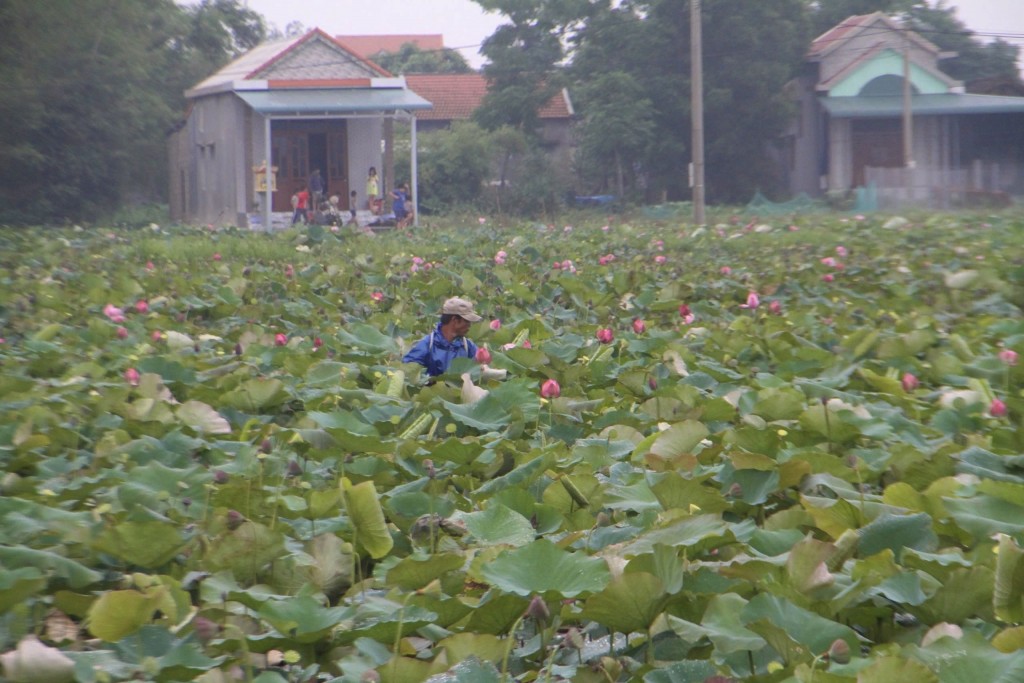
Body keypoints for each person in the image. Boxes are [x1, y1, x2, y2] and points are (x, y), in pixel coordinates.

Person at [403, 297, 481, 377]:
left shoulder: (468, 347)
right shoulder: (427, 344)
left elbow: (480, 369)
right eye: (467, 321)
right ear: (455, 320)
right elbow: (408, 371)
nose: (469, 326)